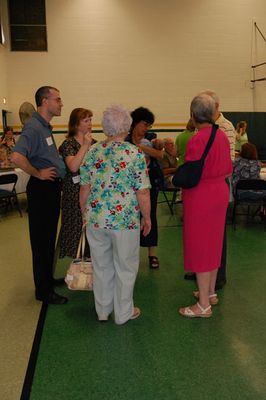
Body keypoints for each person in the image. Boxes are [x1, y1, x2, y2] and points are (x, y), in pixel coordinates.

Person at [80, 104, 151, 324]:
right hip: (124, 220)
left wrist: (85, 214)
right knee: (126, 266)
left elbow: (84, 187)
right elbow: (142, 191)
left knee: (101, 266)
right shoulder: (133, 153)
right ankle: (123, 313)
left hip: (96, 219)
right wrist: (147, 217)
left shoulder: (93, 151)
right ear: (127, 127)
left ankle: (102, 311)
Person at [11, 86, 68, 305]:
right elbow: (17, 156)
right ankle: (43, 291)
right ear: (45, 101)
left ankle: (47, 279)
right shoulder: (33, 127)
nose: (61, 103)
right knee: (41, 240)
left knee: (47, 239)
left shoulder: (44, 127)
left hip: (51, 189)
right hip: (42, 189)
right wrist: (37, 173)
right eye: (58, 99)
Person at [179, 94, 232, 318]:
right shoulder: (221, 136)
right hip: (220, 192)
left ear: (193, 115)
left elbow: (191, 173)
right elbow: (229, 168)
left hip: (201, 196)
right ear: (212, 114)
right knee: (213, 243)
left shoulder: (197, 139)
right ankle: (209, 293)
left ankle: (202, 305)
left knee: (201, 246)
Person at [196, 90, 235, 290]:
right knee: (204, 235)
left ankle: (217, 276)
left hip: (217, 182)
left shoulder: (226, 127)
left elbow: (227, 160)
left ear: (215, 107)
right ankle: (203, 274)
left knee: (217, 235)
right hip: (204, 184)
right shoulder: (203, 128)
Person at [126, 107, 163, 269]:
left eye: (149, 125)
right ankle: (130, 253)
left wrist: (140, 147)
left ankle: (152, 254)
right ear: (134, 123)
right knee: (131, 219)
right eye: (145, 124)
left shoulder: (151, 139)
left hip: (150, 185)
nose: (146, 128)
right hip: (129, 187)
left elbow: (160, 155)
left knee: (150, 216)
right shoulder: (124, 139)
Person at [59, 108, 94, 259]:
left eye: (90, 120)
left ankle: (92, 265)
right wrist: (85, 146)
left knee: (92, 231)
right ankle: (79, 267)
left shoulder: (95, 144)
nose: (90, 124)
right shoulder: (68, 144)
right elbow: (73, 167)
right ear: (76, 124)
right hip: (73, 194)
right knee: (76, 230)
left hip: (92, 192)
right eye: (86, 121)